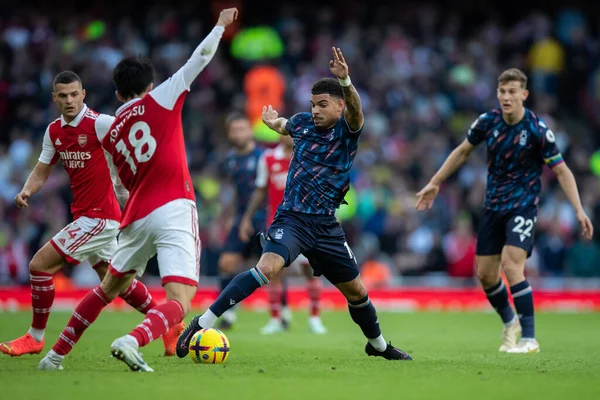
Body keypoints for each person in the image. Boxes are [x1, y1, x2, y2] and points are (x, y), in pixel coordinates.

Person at [178, 47, 412, 361]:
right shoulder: (302, 124)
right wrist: (273, 122)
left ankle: (379, 346)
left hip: (326, 225)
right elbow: (286, 125)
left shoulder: (346, 131)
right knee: (267, 268)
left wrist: (345, 81)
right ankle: (202, 322)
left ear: (339, 105)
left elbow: (356, 109)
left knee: (356, 291)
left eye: (323, 105)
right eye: (313, 104)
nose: (315, 110)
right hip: (292, 219)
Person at [37, 8, 238, 372]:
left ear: (116, 92)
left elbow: (121, 181)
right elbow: (200, 58)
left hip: (135, 216)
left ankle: (54, 357)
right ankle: (132, 340)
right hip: (174, 205)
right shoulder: (161, 97)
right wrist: (220, 26)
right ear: (149, 85)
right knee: (180, 300)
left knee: (106, 290)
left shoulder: (111, 132)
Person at [0, 71, 181, 358]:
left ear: (83, 94)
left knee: (39, 266)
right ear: (55, 98)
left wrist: (136, 194)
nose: (69, 100)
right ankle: (168, 323)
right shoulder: (54, 132)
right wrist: (26, 190)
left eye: (74, 94)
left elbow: (131, 154)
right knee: (116, 282)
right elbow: (42, 169)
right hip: (85, 215)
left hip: (100, 217)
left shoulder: (101, 124)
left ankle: (35, 337)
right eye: (63, 96)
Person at [416, 68, 594, 353]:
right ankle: (510, 322)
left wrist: (578, 210)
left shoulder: (537, 130)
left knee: (512, 266)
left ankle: (530, 339)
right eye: (502, 91)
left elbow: (561, 171)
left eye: (513, 92)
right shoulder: (488, 122)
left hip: (523, 206)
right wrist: (435, 182)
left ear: (524, 94)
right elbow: (462, 151)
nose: (506, 97)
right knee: (486, 275)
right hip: (493, 207)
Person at [239, 134, 327, 335]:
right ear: (279, 134)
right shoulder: (268, 158)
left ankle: (315, 318)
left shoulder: (308, 157)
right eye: (286, 131)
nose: (289, 135)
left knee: (311, 272)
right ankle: (275, 319)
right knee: (274, 274)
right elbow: (261, 190)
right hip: (278, 224)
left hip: (307, 224)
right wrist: (247, 217)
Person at [217, 112, 265, 330]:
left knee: (275, 269)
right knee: (226, 263)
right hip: (241, 218)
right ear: (229, 134)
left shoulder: (263, 157)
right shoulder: (231, 160)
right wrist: (229, 218)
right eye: (234, 130)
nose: (239, 133)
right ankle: (228, 313)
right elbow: (235, 192)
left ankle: (281, 313)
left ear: (250, 131)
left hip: (264, 219)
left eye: (242, 129)